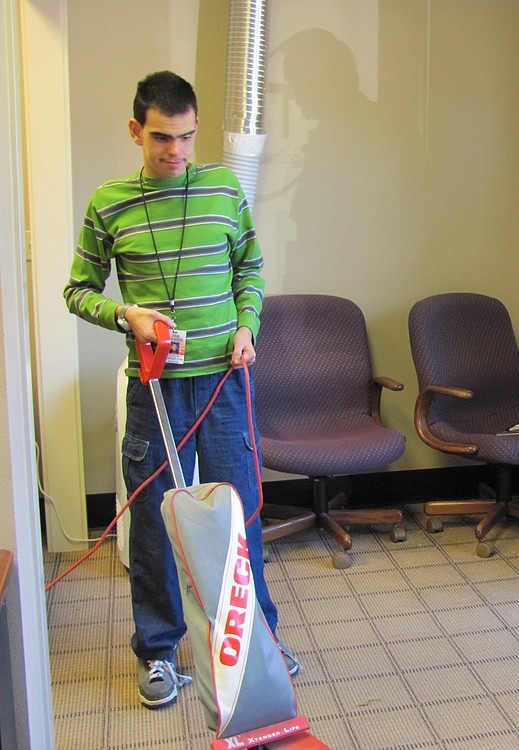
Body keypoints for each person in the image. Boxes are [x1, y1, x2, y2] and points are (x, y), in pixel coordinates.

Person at [63, 71, 299, 709]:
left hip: (225, 382)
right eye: (163, 138)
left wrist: (248, 325)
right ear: (137, 130)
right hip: (155, 389)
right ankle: (159, 651)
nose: (177, 152)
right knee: (155, 521)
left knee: (240, 514)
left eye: (188, 138)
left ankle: (255, 639)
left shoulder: (222, 188)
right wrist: (127, 316)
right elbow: (76, 290)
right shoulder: (110, 202)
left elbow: (249, 266)